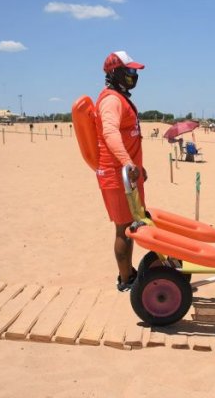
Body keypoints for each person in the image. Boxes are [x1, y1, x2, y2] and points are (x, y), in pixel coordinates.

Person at [95, 50, 147, 292]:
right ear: (115, 73)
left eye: (134, 71)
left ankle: (129, 273)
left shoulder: (121, 97)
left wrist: (137, 166)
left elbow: (128, 136)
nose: (133, 75)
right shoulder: (111, 101)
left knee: (133, 224)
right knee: (124, 229)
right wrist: (128, 162)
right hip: (117, 175)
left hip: (127, 174)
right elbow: (110, 133)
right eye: (129, 71)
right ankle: (126, 279)